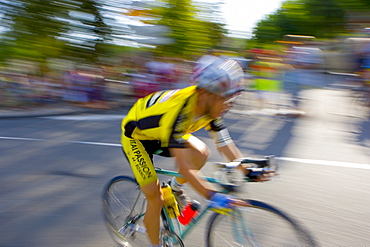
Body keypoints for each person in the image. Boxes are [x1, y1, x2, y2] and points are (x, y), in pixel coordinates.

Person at [120, 55, 273, 247]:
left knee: (202, 153)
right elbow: (184, 166)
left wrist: (247, 170)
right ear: (205, 94)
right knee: (155, 197)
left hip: (163, 132)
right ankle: (155, 243)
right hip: (138, 138)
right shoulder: (180, 111)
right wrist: (211, 195)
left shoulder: (210, 107)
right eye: (225, 98)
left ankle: (175, 189)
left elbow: (224, 143)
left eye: (232, 99)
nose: (228, 105)